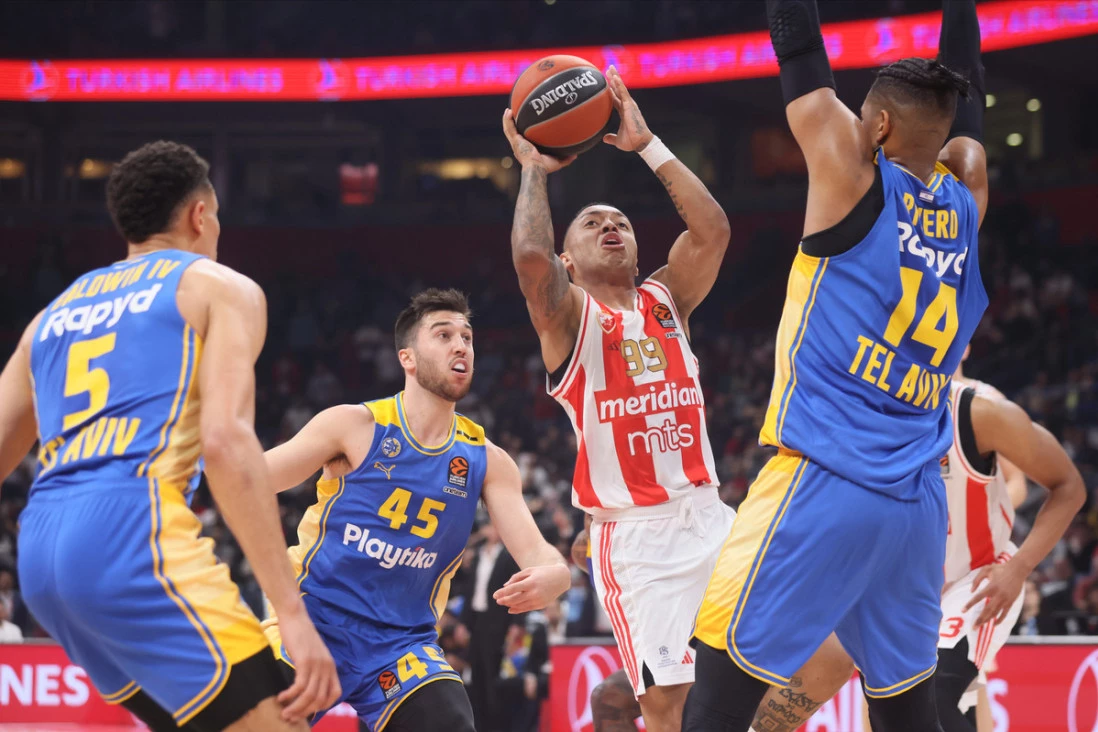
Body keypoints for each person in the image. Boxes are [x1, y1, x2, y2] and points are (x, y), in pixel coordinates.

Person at [686, 1, 991, 729]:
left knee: (718, 691)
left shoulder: (851, 176)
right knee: (907, 711)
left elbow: (798, 50)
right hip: (917, 505)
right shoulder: (968, 195)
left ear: (879, 126)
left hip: (823, 479)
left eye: (861, 117)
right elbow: (969, 99)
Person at [0, 141, 339, 732]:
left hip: (42, 555)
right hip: (132, 536)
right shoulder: (219, 287)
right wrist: (291, 613)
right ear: (199, 215)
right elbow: (226, 443)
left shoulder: (50, 317)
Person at [503, 59, 736, 732]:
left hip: (710, 516)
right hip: (638, 539)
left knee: (807, 655)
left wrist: (648, 145)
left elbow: (713, 232)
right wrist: (533, 170)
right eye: (592, 224)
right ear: (568, 261)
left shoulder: (668, 298)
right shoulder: (568, 318)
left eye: (621, 222)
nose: (611, 226)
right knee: (667, 706)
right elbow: (529, 260)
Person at [260, 289, 571, 732]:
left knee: (450, 721)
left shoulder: (488, 460)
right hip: (314, 619)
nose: (460, 346)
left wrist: (556, 576)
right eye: (443, 335)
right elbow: (251, 480)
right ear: (406, 358)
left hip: (401, 645)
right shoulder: (354, 426)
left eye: (467, 337)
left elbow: (540, 554)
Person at [569, 527, 854, 732]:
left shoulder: (675, 529)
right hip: (691, 643)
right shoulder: (596, 544)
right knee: (608, 699)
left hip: (726, 640)